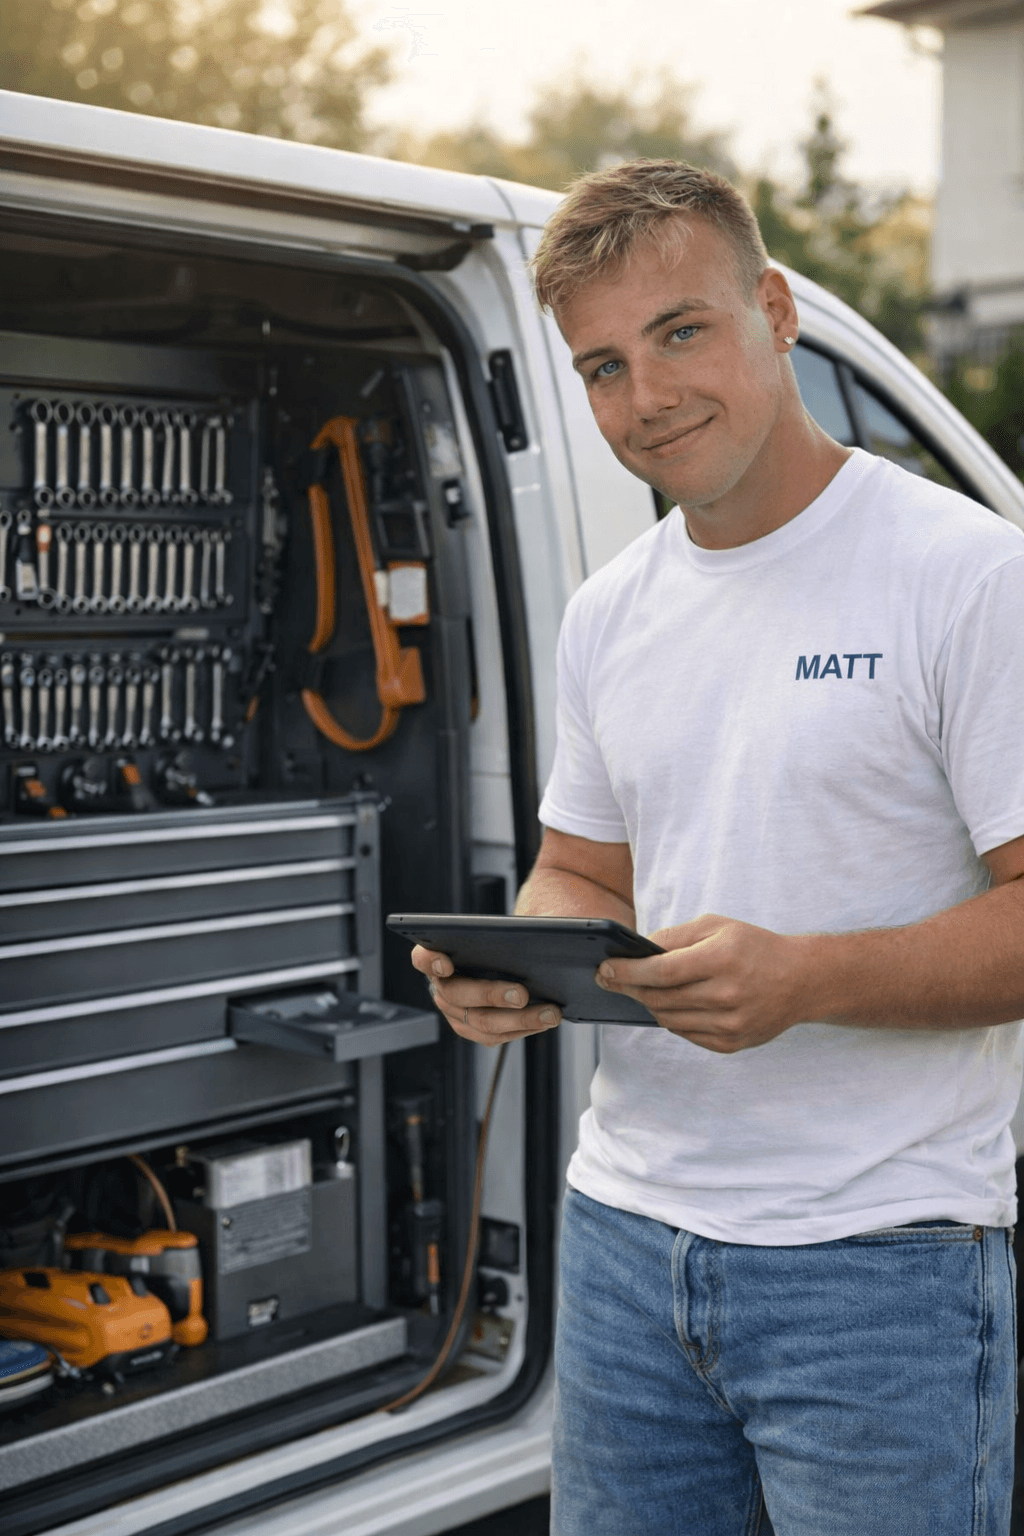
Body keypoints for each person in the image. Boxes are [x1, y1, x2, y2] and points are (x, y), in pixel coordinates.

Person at [410, 160, 1024, 1536]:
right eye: (604, 366)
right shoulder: (610, 614)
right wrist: (524, 962)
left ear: (776, 306)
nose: (647, 399)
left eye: (682, 332)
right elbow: (583, 874)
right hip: (627, 1250)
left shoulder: (971, 578)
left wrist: (803, 978)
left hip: (881, 1271)